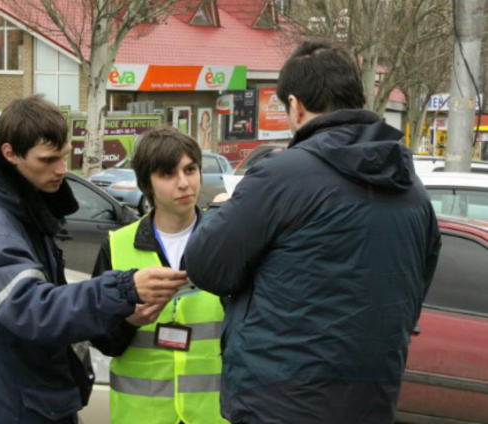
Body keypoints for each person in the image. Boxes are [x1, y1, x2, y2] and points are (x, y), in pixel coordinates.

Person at [184, 40, 441, 424]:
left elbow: (205, 265)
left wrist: (223, 206)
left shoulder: (281, 176)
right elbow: (412, 294)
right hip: (372, 400)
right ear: (357, 97)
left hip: (278, 401)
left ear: (295, 105)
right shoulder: (413, 192)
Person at [0, 95, 186, 424]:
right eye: (47, 160)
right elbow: (33, 308)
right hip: (10, 406)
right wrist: (124, 288)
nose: (62, 170)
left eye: (64, 156)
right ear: (10, 154)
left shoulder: (23, 206)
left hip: (30, 395)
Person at [92, 126, 229, 424]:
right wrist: (128, 322)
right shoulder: (117, 245)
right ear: (146, 184)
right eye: (168, 174)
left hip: (212, 414)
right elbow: (101, 339)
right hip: (142, 415)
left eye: (190, 169)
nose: (184, 183)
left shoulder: (224, 240)